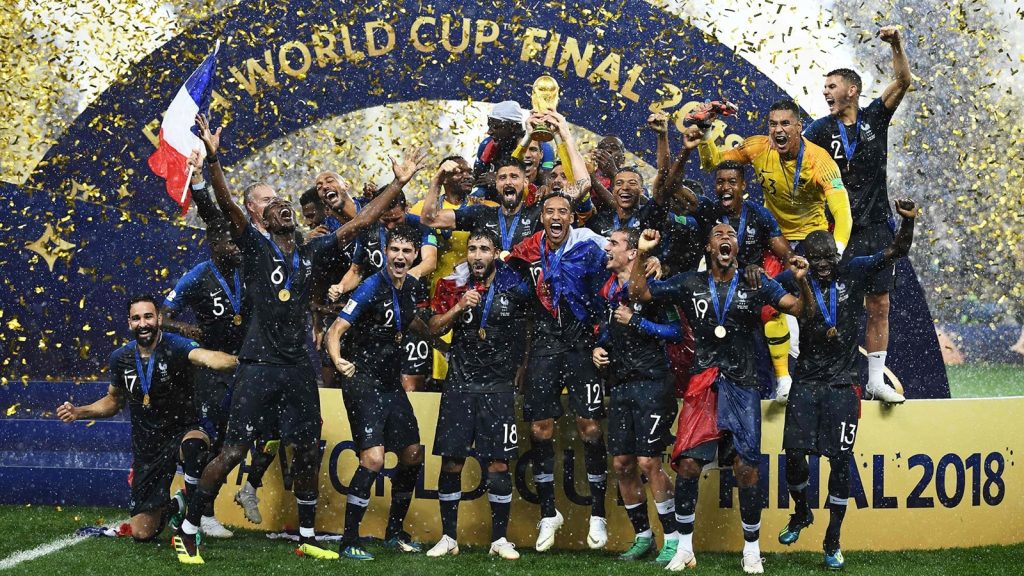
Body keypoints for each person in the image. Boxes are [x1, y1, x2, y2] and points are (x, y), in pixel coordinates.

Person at [172, 113, 426, 564]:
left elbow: (363, 221)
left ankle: (307, 535)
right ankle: (189, 528)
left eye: (285, 203)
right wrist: (213, 159)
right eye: (273, 206)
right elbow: (227, 204)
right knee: (233, 450)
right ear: (263, 220)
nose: (282, 206)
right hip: (258, 366)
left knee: (307, 449)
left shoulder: (311, 251)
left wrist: (397, 183)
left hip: (297, 369)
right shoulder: (255, 248)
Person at [628, 225, 809, 574]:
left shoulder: (756, 282)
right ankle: (685, 548)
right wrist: (644, 253)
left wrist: (801, 281)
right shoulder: (690, 283)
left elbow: (798, 308)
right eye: (718, 234)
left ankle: (752, 550)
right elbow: (639, 293)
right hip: (704, 382)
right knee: (688, 466)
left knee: (746, 469)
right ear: (709, 247)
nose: (726, 237)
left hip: (742, 384)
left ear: (736, 247)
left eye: (731, 234)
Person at [775, 199, 918, 569]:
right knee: (794, 456)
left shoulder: (853, 271)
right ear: (805, 258)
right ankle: (801, 512)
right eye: (815, 258)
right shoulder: (793, 278)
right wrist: (755, 277)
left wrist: (907, 222)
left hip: (843, 385)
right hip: (806, 382)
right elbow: (761, 293)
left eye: (828, 256)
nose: (823, 263)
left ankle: (833, 540)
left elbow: (897, 251)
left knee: (840, 461)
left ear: (836, 255)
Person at [691, 99, 852, 401]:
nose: (778, 130)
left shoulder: (820, 161)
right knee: (770, 304)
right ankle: (783, 379)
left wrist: (838, 250)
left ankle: (829, 378)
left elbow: (843, 213)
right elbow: (714, 164)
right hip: (774, 239)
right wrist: (706, 133)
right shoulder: (757, 147)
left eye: (785, 124)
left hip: (810, 242)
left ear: (799, 127)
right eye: (773, 124)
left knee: (816, 315)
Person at [56, 296, 238, 547]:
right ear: (129, 323)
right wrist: (79, 412)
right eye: (137, 318)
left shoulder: (176, 345)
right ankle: (176, 505)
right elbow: (113, 401)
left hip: (184, 430)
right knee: (142, 533)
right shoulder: (121, 358)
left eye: (148, 316)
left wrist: (240, 361)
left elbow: (206, 357)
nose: (143, 323)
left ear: (159, 319)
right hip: (148, 448)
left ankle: (191, 524)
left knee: (194, 447)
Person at [803, 25, 912, 403]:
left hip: (877, 227)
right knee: (836, 302)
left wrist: (896, 43)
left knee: (879, 304)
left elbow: (904, 80)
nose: (825, 92)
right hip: (839, 230)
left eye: (831, 86)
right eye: (824, 88)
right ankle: (823, 374)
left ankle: (876, 380)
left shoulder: (875, 118)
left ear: (852, 90)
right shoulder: (819, 130)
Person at [507, 193, 612, 552]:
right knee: (540, 428)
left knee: (590, 427)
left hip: (581, 346)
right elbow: (511, 287)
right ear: (542, 218)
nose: (556, 216)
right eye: (549, 211)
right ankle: (549, 513)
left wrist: (601, 340)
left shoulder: (588, 249)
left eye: (562, 212)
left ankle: (598, 513)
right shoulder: (527, 251)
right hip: (544, 346)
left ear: (571, 218)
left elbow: (606, 296)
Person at [424, 228, 532, 560]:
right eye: (472, 249)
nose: (477, 255)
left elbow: (528, 328)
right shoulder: (453, 285)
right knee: (452, 462)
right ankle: (448, 537)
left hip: (497, 388)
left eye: (484, 249)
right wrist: (459, 307)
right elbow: (433, 328)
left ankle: (499, 539)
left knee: (498, 464)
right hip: (459, 386)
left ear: (495, 253)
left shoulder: (514, 287)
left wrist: (522, 366)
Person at [326, 224, 431, 560]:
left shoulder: (411, 287)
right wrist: (337, 359)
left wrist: (439, 337)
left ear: (415, 256)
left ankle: (394, 532)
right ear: (386, 253)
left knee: (412, 454)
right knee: (373, 458)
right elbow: (335, 330)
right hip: (363, 381)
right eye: (394, 250)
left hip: (390, 383)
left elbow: (411, 322)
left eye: (406, 252)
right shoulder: (370, 287)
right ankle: (349, 541)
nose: (400, 257)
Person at [592, 228, 682, 563]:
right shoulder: (607, 290)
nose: (607, 247)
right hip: (621, 384)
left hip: (652, 383)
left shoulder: (654, 286)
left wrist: (637, 323)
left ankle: (673, 537)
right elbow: (607, 331)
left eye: (614, 243)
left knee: (648, 461)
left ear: (632, 253)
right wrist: (599, 348)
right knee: (622, 463)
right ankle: (643, 537)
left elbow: (676, 332)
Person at [329, 189, 438, 391]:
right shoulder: (368, 229)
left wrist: (403, 279)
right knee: (375, 374)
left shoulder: (421, 225)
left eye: (396, 219)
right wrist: (341, 286)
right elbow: (356, 271)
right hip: (376, 313)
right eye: (385, 220)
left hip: (412, 309)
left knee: (411, 382)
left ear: (406, 209)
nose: (390, 226)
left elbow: (430, 261)